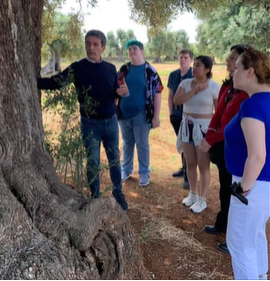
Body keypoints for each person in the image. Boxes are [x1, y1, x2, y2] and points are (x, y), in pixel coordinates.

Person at [37, 30, 128, 210]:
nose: (91, 47)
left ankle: (117, 193)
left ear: (103, 47)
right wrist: (34, 81)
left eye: (95, 44)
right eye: (87, 43)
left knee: (114, 159)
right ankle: (95, 197)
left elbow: (115, 92)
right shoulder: (77, 68)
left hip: (110, 122)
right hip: (90, 124)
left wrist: (122, 91)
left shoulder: (110, 68)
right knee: (93, 161)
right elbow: (56, 82)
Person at [224, 47, 270, 280]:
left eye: (237, 67)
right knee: (255, 236)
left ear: (250, 72)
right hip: (264, 186)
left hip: (253, 183)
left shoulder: (252, 105)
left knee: (240, 244)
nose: (232, 71)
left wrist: (242, 187)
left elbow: (257, 156)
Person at [199, 45, 248, 254]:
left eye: (233, 59)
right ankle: (223, 223)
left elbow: (230, 124)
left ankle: (233, 236)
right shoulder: (227, 87)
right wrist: (210, 132)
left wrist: (210, 139)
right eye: (230, 58)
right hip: (222, 144)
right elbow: (218, 114)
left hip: (236, 146)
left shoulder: (246, 94)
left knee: (234, 190)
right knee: (224, 186)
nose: (228, 61)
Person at [174, 56, 219, 213]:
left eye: (198, 66)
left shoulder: (214, 87)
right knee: (190, 163)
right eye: (194, 65)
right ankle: (193, 194)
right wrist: (195, 90)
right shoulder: (185, 84)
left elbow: (218, 111)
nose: (193, 68)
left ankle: (202, 199)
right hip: (186, 126)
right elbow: (176, 100)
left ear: (207, 69)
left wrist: (213, 133)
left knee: (203, 165)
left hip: (203, 129)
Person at [117, 39, 163, 187]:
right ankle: (125, 170)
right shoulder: (124, 69)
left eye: (135, 48)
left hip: (141, 114)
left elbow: (157, 93)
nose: (131, 51)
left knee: (142, 144)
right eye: (129, 49)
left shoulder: (150, 71)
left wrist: (156, 117)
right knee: (127, 143)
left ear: (141, 51)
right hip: (123, 114)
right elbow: (115, 88)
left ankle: (144, 173)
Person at [167, 49, 193, 189]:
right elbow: (170, 95)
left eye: (185, 57)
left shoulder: (194, 74)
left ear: (190, 60)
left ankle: (188, 177)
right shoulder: (173, 75)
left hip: (189, 116)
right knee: (181, 143)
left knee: (187, 145)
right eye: (181, 57)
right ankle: (184, 168)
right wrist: (171, 113)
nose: (182, 60)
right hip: (176, 116)